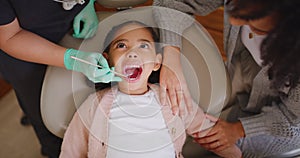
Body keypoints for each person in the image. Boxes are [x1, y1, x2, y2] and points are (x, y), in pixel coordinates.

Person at [59, 21, 241, 158]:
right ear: (108, 60)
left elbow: (206, 131)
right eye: (121, 45)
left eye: (143, 46)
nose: (132, 52)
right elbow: (72, 151)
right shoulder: (94, 105)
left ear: (157, 62)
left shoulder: (171, 97)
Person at [153, 0, 300, 157]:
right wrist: (171, 58)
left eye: (252, 23)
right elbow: (171, 2)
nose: (233, 21)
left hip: (286, 123)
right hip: (240, 76)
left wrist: (238, 130)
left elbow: (291, 116)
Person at [0, 0, 120, 157]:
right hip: (22, 46)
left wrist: (87, 3)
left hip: (73, 21)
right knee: (45, 117)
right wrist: (71, 59)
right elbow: (10, 36)